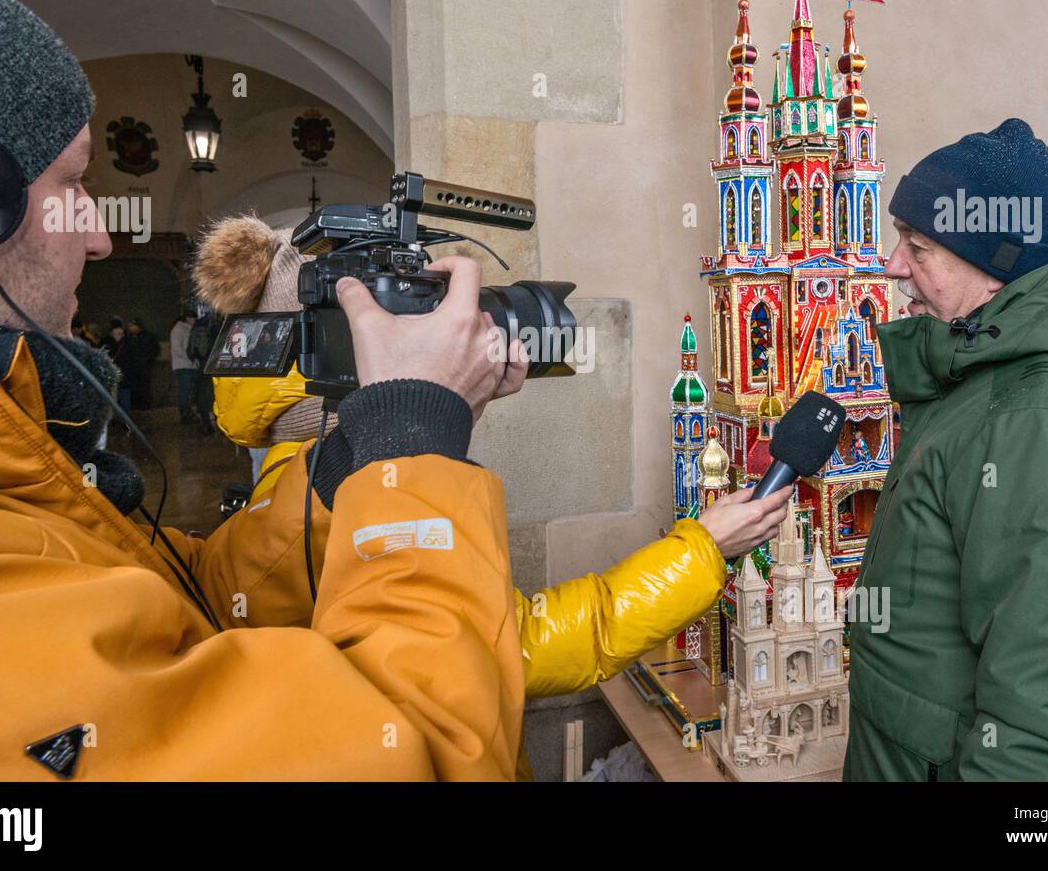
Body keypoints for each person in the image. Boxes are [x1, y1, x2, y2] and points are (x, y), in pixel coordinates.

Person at [0, 0, 533, 780]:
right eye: (73, 185)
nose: (97, 234)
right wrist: (415, 440)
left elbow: (191, 599)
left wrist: (356, 460)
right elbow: (416, 750)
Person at [192, 212, 795, 781]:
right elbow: (515, 646)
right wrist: (705, 546)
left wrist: (437, 414)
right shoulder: (350, 490)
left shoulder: (304, 480)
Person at [844, 119, 1048, 781]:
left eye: (919, 245)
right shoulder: (982, 382)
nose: (892, 263)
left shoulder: (1047, 421)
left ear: (996, 268)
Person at [121, 316, 160, 410]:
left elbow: (156, 350)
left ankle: (145, 406)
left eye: (132, 326)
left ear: (138, 326)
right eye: (129, 326)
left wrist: (147, 360)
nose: (130, 328)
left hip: (145, 368)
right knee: (134, 388)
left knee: (144, 388)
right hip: (132, 369)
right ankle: (135, 406)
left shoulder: (148, 336)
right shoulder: (128, 338)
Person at [170, 310, 200, 424]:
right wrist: (190, 358)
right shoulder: (179, 329)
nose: (195, 321)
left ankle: (187, 413)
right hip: (183, 365)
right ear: (188, 318)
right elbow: (178, 348)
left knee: (187, 390)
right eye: (193, 318)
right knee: (185, 390)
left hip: (188, 365)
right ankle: (185, 414)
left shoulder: (186, 329)